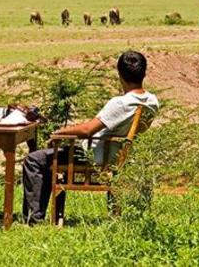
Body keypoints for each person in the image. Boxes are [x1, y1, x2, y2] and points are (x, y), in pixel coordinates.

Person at [22, 50, 159, 225]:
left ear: (120, 75)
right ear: (144, 73)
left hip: (94, 157)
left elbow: (88, 130)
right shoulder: (152, 101)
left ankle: (33, 220)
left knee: (35, 159)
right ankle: (49, 217)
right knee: (48, 157)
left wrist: (59, 133)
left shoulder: (121, 103)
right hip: (120, 156)